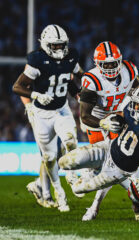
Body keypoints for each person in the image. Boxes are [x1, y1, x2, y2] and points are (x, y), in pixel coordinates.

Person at [13, 24, 83, 212]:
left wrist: (81, 93)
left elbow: (73, 78)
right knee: (49, 157)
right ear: (45, 44)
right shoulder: (37, 60)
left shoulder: (71, 56)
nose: (60, 49)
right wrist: (33, 98)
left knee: (69, 140)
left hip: (61, 109)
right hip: (42, 114)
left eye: (62, 45)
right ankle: (46, 192)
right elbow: (19, 86)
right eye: (55, 45)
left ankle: (72, 175)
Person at [59, 85, 139, 197]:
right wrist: (110, 120)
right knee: (63, 162)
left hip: (118, 170)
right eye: (136, 103)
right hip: (108, 148)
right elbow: (119, 115)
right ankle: (94, 169)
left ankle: (95, 171)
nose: (136, 107)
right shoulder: (132, 110)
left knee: (77, 190)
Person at [77, 41, 139, 220]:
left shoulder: (129, 70)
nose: (111, 68)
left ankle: (95, 207)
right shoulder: (92, 80)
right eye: (106, 65)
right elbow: (85, 116)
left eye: (114, 63)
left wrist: (130, 109)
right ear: (98, 64)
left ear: (120, 60)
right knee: (105, 165)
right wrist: (102, 123)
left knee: (117, 162)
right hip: (96, 120)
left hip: (118, 115)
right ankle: (87, 173)